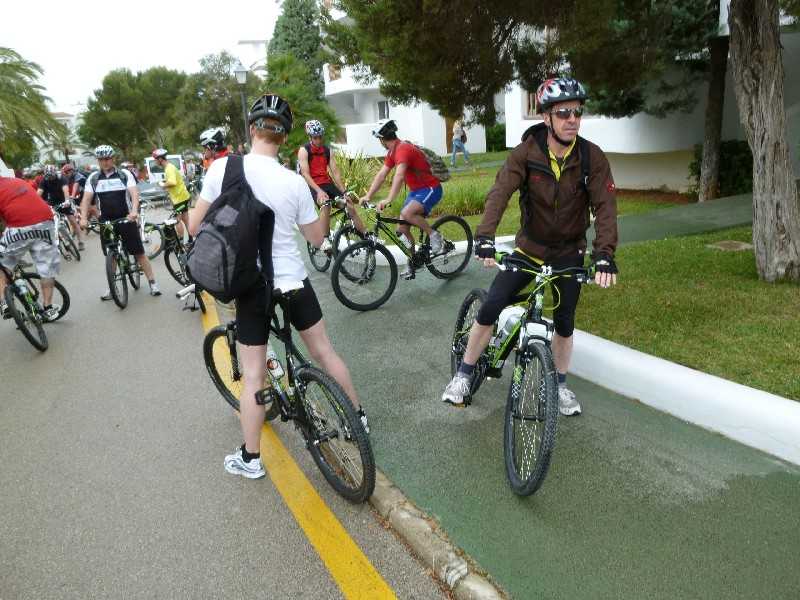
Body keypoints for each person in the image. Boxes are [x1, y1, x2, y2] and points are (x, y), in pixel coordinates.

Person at [189, 93, 369, 480]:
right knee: (323, 351)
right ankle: (357, 420)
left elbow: (194, 226)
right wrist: (324, 203)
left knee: (254, 375)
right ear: (285, 137)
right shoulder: (293, 182)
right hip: (293, 281)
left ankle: (250, 459)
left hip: (252, 286)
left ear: (251, 129)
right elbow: (317, 238)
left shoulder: (222, 168)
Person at [441, 77, 619, 415]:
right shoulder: (526, 153)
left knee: (565, 321)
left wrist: (605, 254)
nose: (572, 120)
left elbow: (606, 207)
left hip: (569, 251)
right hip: (530, 248)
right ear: (546, 117)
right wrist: (485, 237)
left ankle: (559, 385)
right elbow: (499, 194)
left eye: (577, 112)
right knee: (492, 305)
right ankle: (463, 375)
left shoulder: (591, 157)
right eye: (563, 113)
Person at [360, 119, 444, 279]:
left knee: (407, 213)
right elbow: (381, 175)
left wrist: (389, 199)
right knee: (402, 230)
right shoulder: (392, 152)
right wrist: (368, 195)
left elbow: (399, 176)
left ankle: (434, 235)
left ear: (382, 139)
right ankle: (414, 262)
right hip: (416, 191)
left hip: (430, 188)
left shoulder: (403, 149)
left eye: (379, 139)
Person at [79, 145, 162, 298]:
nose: (105, 162)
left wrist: (134, 211)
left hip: (126, 217)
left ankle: (152, 283)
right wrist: (83, 218)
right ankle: (112, 287)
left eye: (107, 158)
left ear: (113, 159)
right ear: (98, 161)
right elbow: (86, 199)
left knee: (138, 252)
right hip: (106, 220)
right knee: (111, 254)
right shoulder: (94, 178)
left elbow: (134, 194)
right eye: (101, 159)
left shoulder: (124, 174)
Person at [0, 174, 62, 321]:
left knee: (2, 266)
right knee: (46, 267)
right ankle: (48, 307)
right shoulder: (17, 181)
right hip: (45, 221)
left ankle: (4, 303)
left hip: (18, 227)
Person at [297, 119, 365, 251]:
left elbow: (336, 173)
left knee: (349, 204)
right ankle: (325, 239)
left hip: (327, 183)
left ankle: (366, 236)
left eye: (320, 137)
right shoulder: (304, 151)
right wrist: (319, 191)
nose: (318, 140)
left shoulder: (327, 151)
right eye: (315, 138)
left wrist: (344, 192)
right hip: (311, 185)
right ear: (310, 137)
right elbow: (305, 174)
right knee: (326, 204)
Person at [152, 149, 191, 239]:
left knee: (177, 220)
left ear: (160, 159)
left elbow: (172, 182)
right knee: (185, 219)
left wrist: (163, 184)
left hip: (178, 199)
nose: (155, 161)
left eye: (155, 159)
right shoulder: (170, 167)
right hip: (183, 196)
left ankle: (181, 241)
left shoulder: (168, 168)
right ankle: (191, 238)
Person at [60, 164, 87, 250]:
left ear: (71, 171)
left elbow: (75, 186)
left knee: (89, 208)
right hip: (79, 194)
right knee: (77, 209)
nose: (66, 174)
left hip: (87, 193)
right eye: (64, 173)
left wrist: (71, 196)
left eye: (66, 172)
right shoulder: (68, 177)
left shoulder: (77, 176)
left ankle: (81, 240)